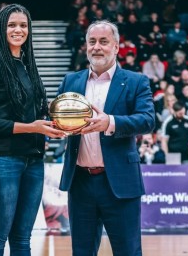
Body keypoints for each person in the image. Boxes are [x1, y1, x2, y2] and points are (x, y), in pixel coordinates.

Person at [0, 4, 65, 255]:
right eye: (12, 25)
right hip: (2, 158)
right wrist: (30, 127)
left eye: (23, 25)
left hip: (32, 159)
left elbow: (33, 112)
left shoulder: (26, 62)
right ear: (1, 28)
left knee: (22, 239)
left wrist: (55, 123)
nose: (18, 30)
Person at [56, 20, 155, 256]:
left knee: (128, 251)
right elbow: (60, 120)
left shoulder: (136, 81)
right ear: (86, 46)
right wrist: (58, 128)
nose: (97, 47)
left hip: (119, 183)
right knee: (81, 252)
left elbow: (148, 120)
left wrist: (110, 122)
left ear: (117, 46)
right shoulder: (71, 81)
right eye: (92, 42)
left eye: (103, 41)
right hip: (80, 183)